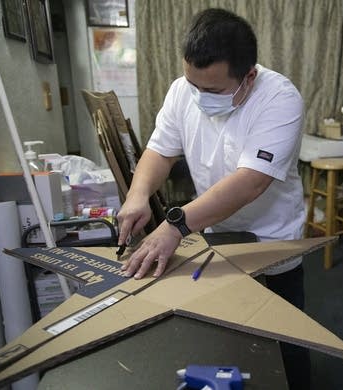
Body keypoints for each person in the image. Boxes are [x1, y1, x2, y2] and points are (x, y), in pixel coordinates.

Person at [116, 9, 310, 389]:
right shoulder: (181, 90)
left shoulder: (280, 99)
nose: (200, 97)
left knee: (285, 340)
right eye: (194, 86)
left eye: (213, 90)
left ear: (248, 76)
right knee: (229, 334)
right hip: (217, 233)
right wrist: (137, 196)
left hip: (271, 240)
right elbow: (159, 152)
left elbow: (249, 183)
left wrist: (174, 224)